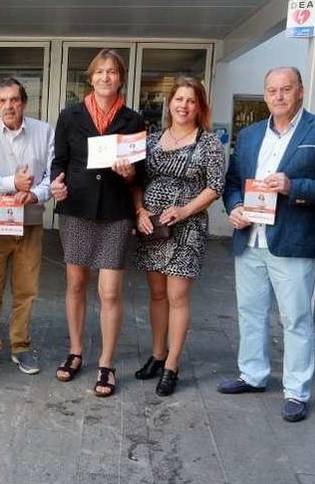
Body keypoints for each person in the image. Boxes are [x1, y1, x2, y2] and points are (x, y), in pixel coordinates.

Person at [217, 67, 315, 422]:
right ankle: (253, 374)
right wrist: (234, 207)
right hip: (250, 237)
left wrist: (295, 186)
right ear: (264, 95)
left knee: (295, 319)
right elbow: (232, 182)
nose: (278, 96)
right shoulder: (248, 136)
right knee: (250, 312)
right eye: (272, 90)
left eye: (286, 89)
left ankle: (296, 391)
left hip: (294, 240)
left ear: (300, 92)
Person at [49, 49, 144, 397]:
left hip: (116, 213)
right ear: (91, 78)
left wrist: (131, 171)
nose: (106, 77)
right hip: (76, 208)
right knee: (75, 283)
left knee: (110, 291)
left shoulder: (133, 120)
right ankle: (75, 351)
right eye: (100, 71)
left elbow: (140, 174)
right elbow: (59, 160)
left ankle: (106, 363)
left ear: (121, 78)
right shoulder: (70, 115)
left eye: (112, 72)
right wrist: (56, 182)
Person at [132, 77, 226, 396]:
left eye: (191, 100)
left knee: (177, 297)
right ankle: (157, 355)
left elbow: (215, 187)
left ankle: (172, 365)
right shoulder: (151, 140)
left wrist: (183, 211)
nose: (184, 105)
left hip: (187, 229)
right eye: (179, 99)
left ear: (199, 107)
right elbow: (136, 183)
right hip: (153, 227)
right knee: (157, 295)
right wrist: (140, 213)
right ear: (169, 103)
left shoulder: (208, 142)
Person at [0, 77, 54, 376]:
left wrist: (33, 193)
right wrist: (11, 184)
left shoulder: (44, 132)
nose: (9, 106)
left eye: (14, 100)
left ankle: (21, 346)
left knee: (26, 290)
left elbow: (52, 176)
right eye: (2, 101)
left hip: (29, 221)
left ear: (24, 103)